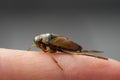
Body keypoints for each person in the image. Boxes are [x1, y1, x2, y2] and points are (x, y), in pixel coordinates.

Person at [0, 48, 120, 80]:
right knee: (79, 54)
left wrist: (57, 64)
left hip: (61, 47)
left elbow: (50, 53)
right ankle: (96, 55)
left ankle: (98, 55)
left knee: (79, 54)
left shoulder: (49, 46)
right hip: (59, 47)